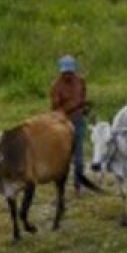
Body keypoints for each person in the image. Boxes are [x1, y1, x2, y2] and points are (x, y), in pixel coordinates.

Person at [49, 55, 88, 192]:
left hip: (78, 122)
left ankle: (78, 184)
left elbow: (83, 99)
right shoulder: (56, 87)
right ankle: (61, 186)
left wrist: (83, 109)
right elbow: (55, 109)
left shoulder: (81, 82)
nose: (68, 76)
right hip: (63, 124)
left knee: (79, 157)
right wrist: (75, 105)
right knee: (64, 158)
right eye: (65, 73)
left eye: (70, 72)